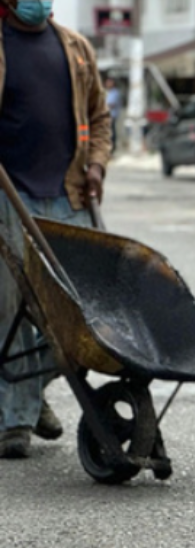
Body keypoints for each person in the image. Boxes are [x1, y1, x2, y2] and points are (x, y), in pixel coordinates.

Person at [0, 0, 111, 458]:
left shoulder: (75, 46)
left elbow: (100, 118)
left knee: (73, 311)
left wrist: (98, 165)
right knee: (9, 309)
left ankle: (28, 390)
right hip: (9, 195)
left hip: (67, 195)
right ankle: (16, 420)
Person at [104, 76, 121, 152]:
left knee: (112, 133)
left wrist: (102, 106)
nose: (107, 84)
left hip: (112, 116)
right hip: (105, 116)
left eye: (109, 82)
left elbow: (112, 104)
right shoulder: (107, 92)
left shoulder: (115, 93)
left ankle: (112, 149)